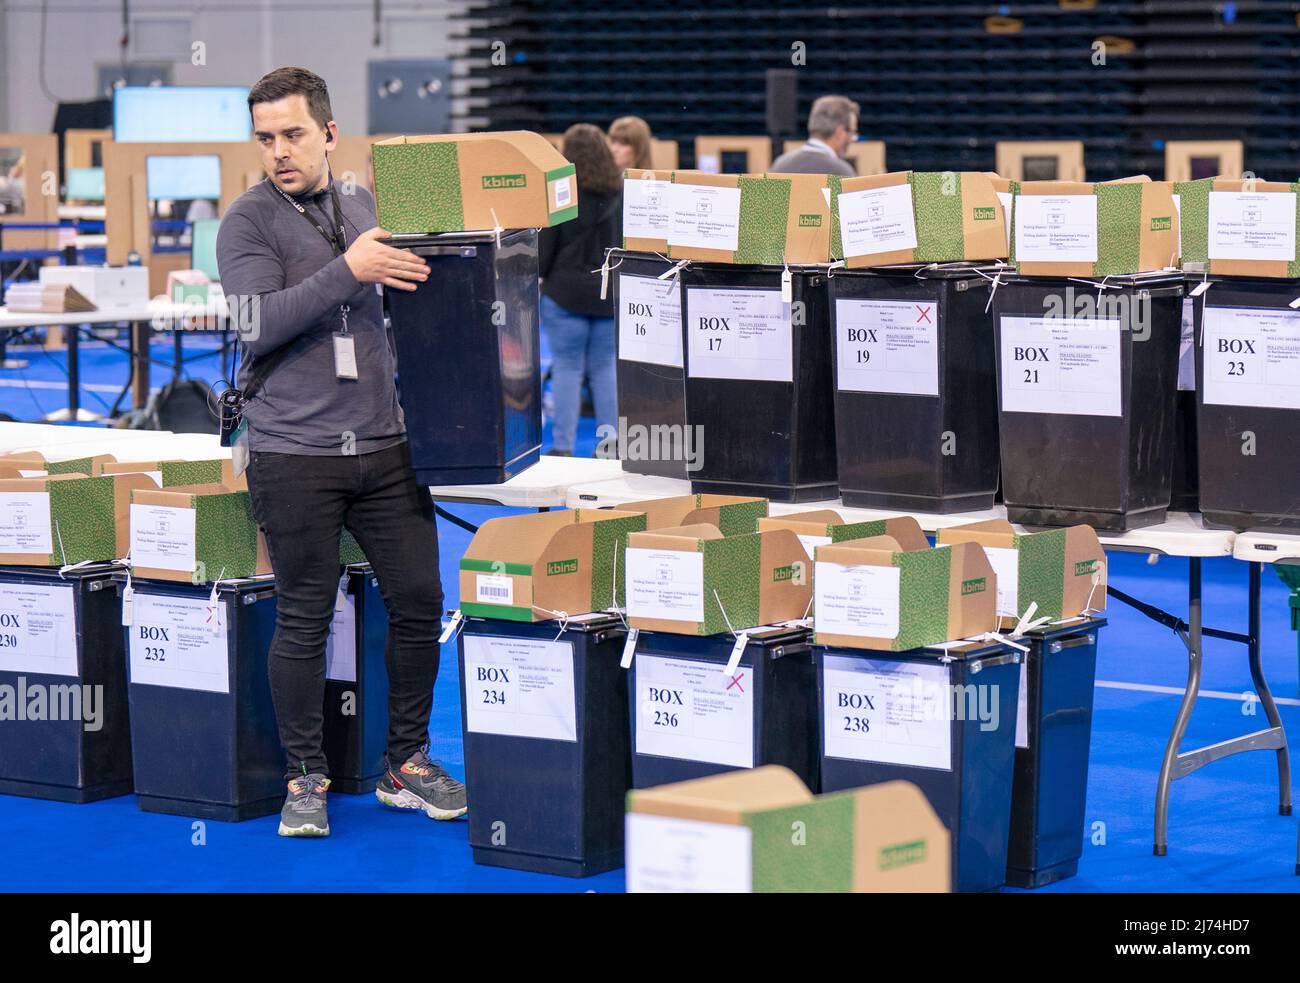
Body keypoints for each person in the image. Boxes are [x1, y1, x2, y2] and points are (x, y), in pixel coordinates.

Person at [216, 66, 467, 838]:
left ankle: (406, 761)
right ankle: (304, 776)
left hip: (387, 446)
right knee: (305, 614)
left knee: (421, 598)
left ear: (329, 133)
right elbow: (257, 323)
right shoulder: (247, 222)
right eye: (265, 138)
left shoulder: (360, 203)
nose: (278, 151)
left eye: (293, 134)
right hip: (295, 452)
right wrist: (348, 268)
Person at [538, 123, 622, 457]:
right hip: (608, 295)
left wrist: (543, 275)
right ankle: (611, 447)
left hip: (565, 294)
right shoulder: (621, 189)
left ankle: (562, 447)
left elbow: (546, 247)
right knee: (605, 370)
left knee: (567, 368)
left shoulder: (562, 190)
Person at [769, 95, 860, 177]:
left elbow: (759, 196)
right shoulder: (842, 172)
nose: (852, 139)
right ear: (840, 132)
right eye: (852, 133)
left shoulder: (779, 165)